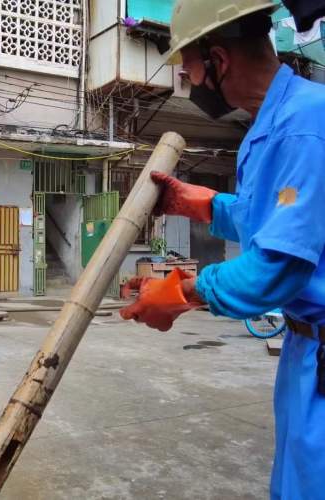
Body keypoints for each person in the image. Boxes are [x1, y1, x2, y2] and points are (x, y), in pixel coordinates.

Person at [119, 1, 325, 498]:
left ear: (219, 60)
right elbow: (273, 218)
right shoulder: (276, 122)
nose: (187, 82)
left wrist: (181, 293)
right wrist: (206, 205)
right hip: (306, 351)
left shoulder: (304, 125)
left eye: (189, 68)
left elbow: (277, 267)